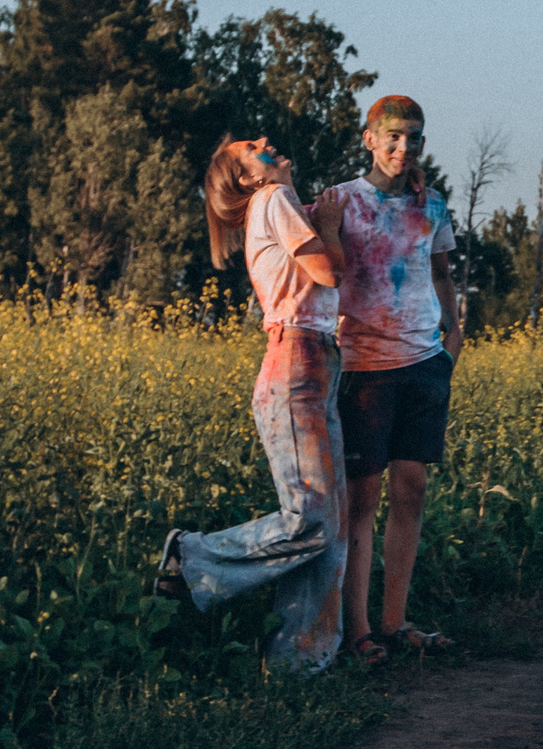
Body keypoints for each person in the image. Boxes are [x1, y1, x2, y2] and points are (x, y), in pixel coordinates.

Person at [152, 134, 351, 674]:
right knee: (311, 517)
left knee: (331, 524)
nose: (265, 142)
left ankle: (300, 663)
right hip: (296, 368)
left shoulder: (283, 202)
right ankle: (192, 556)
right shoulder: (273, 201)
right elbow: (328, 272)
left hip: (317, 363)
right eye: (250, 148)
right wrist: (328, 228)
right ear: (247, 178)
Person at [322, 94, 463, 664]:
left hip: (424, 364)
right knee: (363, 500)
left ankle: (395, 621)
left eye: (415, 138)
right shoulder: (341, 202)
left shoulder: (432, 206)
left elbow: (441, 272)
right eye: (395, 136)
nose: (404, 148)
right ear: (369, 138)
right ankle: (357, 630)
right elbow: (312, 262)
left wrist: (452, 340)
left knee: (413, 489)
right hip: (365, 369)